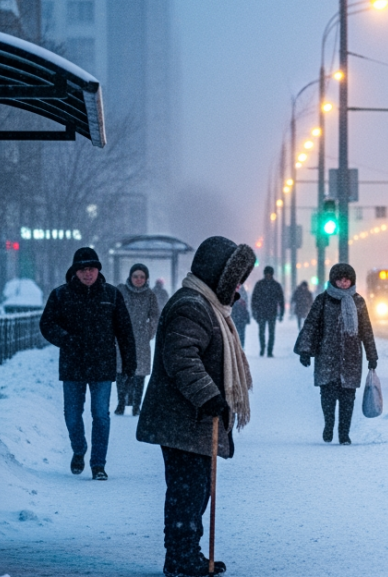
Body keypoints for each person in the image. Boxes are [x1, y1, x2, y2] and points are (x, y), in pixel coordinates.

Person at [137, 236, 254, 577]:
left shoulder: (206, 304)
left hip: (192, 419)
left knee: (196, 489)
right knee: (187, 491)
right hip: (183, 418)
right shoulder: (192, 305)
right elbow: (181, 358)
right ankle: (180, 557)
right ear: (216, 274)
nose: (238, 287)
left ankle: (189, 552)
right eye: (234, 279)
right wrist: (209, 395)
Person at [39, 247, 136, 481]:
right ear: (75, 271)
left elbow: (124, 331)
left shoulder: (111, 295)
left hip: (102, 364)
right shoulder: (61, 295)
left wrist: (129, 363)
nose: (88, 274)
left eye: (91, 269)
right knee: (72, 414)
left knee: (100, 415)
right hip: (73, 364)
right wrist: (65, 339)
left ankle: (98, 464)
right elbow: (47, 324)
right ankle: (79, 449)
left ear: (98, 270)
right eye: (83, 269)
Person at [295, 263, 377, 445]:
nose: (343, 283)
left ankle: (344, 433)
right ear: (334, 280)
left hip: (351, 357)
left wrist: (372, 355)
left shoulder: (358, 302)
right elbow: (311, 325)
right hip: (327, 357)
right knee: (328, 395)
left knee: (348, 398)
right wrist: (305, 351)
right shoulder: (323, 300)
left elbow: (366, 330)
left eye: (347, 279)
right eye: (340, 279)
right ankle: (329, 424)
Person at [115, 263, 161, 416]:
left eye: (142, 277)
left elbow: (155, 316)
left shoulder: (150, 295)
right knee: (121, 372)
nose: (138, 279)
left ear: (146, 279)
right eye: (136, 276)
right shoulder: (120, 291)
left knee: (139, 374)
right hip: (122, 339)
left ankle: (136, 405)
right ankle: (121, 403)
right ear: (130, 277)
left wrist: (149, 331)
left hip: (141, 341)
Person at [250, 266, 284, 358]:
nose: (268, 275)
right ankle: (265, 349)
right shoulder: (276, 285)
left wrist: (254, 311)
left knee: (266, 332)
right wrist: (281, 313)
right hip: (269, 312)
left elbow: (254, 299)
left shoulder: (260, 284)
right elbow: (281, 300)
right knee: (267, 332)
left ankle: (267, 350)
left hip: (265, 312)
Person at [231, 284, 251, 349]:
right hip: (240, 315)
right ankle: (240, 345)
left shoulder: (233, 289)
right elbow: (246, 303)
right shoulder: (242, 290)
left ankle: (238, 345)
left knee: (237, 331)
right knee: (241, 331)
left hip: (236, 315)